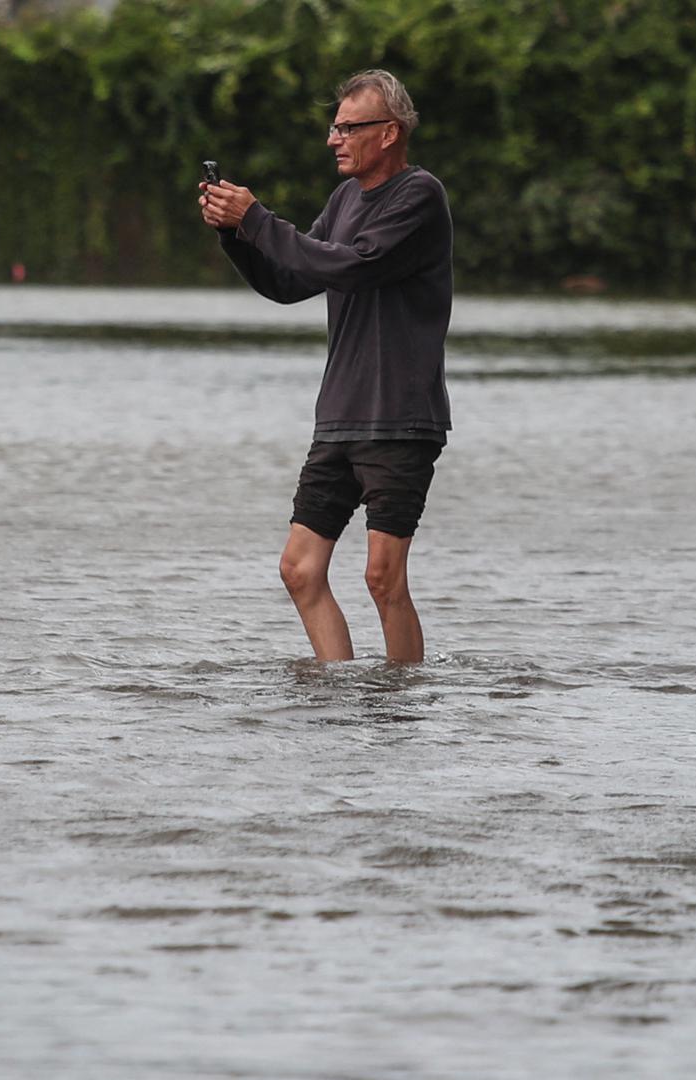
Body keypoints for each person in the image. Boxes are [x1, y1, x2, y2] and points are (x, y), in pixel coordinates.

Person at [199, 69, 452, 664]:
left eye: (347, 128)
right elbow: (292, 281)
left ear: (388, 133)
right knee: (299, 569)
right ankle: (339, 693)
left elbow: (352, 266)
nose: (333, 139)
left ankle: (399, 705)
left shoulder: (419, 196)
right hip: (339, 417)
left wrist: (258, 217)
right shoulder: (342, 200)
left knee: (383, 579)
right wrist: (236, 234)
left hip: (400, 419)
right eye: (332, 128)